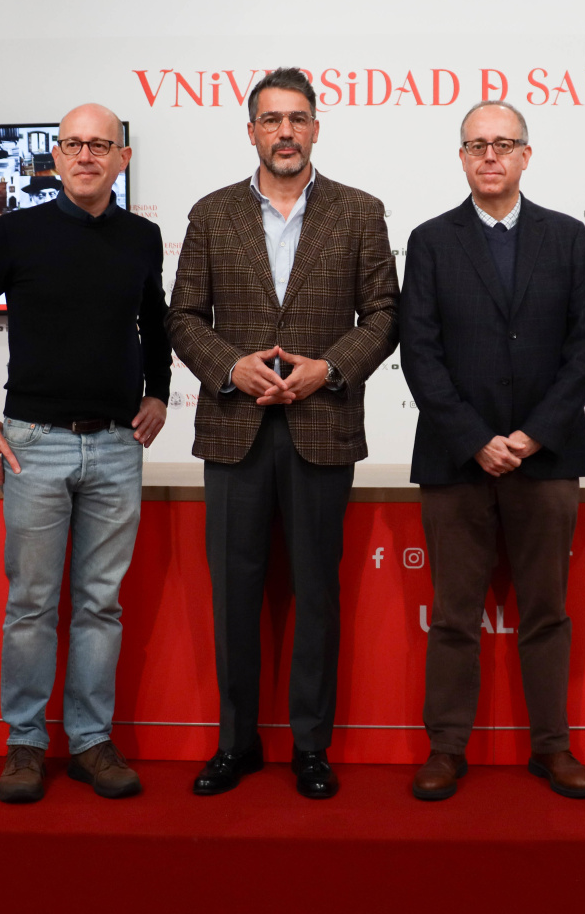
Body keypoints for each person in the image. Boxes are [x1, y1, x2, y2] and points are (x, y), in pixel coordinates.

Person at [167, 68, 398, 800]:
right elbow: (182, 318)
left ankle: (310, 747)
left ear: (317, 128)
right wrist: (231, 366)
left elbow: (385, 315)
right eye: (272, 120)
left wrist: (327, 367)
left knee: (316, 596)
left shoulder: (360, 212)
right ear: (252, 132)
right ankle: (236, 745)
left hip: (320, 426)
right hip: (234, 430)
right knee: (233, 596)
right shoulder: (210, 214)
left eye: (298, 119)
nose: (286, 132)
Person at [0, 103, 172, 804]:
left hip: (115, 445)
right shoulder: (18, 231)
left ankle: (92, 742)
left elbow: (156, 323)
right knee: (33, 603)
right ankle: (24, 744)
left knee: (101, 604)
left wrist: (159, 392)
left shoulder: (143, 236)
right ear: (55, 155)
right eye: (73, 144)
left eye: (100, 145)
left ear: (121, 159)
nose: (86, 155)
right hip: (33, 445)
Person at [400, 100, 585, 801]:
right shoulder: (430, 241)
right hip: (457, 460)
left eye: (503, 144)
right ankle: (446, 750)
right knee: (454, 615)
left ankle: (553, 748)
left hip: (546, 458)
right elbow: (420, 353)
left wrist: (532, 434)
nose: (490, 156)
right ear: (461, 157)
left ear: (526, 155)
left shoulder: (568, 237)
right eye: (476, 145)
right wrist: (474, 438)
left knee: (547, 612)